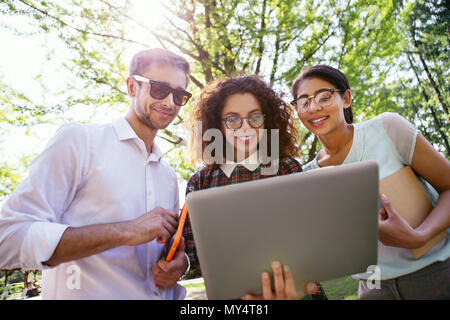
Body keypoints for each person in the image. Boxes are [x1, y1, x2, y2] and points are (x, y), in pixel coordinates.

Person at [0, 48, 192, 299]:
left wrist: (181, 264)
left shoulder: (167, 175)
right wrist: (126, 231)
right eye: (158, 89)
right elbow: (8, 239)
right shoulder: (79, 142)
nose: (169, 102)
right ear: (132, 86)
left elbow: (163, 254)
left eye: (179, 95)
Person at [290, 64, 450, 299]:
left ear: (346, 99)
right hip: (373, 289)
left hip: (435, 275)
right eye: (303, 102)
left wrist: (421, 235)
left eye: (324, 97)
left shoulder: (387, 129)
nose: (313, 107)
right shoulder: (307, 177)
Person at [182, 75, 327, 300]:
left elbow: (312, 237)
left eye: (255, 117)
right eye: (232, 120)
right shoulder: (201, 182)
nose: (245, 128)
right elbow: (192, 255)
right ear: (217, 125)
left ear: (267, 121)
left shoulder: (287, 168)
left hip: (296, 290)